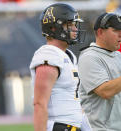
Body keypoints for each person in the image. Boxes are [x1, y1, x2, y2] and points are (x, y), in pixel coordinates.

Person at [29, 3, 91, 131]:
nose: (75, 29)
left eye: (74, 24)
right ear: (53, 28)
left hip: (73, 126)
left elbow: (74, 102)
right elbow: (39, 104)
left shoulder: (68, 56)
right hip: (59, 126)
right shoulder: (49, 55)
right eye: (69, 24)